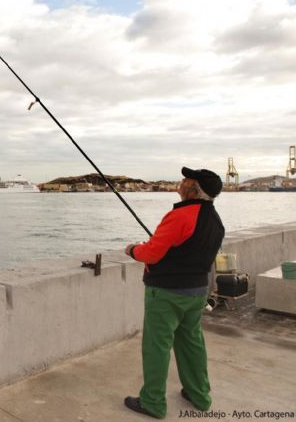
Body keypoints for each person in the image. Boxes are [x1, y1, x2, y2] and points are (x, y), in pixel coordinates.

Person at [123, 167, 225, 419]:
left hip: (167, 293)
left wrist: (133, 249)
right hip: (197, 292)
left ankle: (153, 403)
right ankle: (199, 395)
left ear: (194, 190)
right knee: (192, 343)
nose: (181, 182)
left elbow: (151, 253)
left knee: (156, 346)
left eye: (186, 180)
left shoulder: (180, 216)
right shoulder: (215, 220)